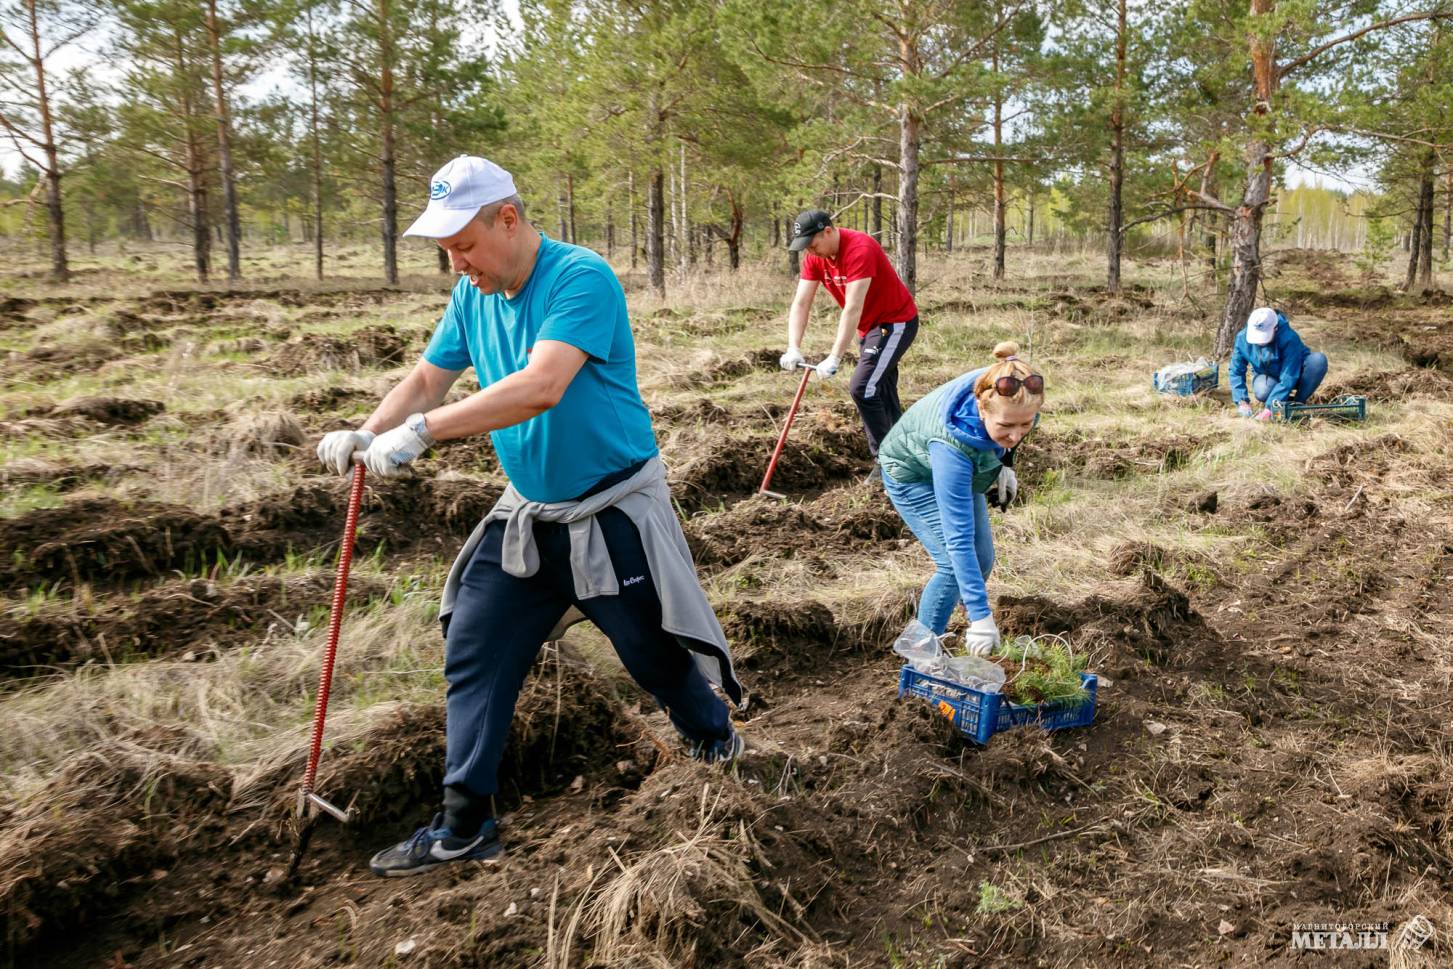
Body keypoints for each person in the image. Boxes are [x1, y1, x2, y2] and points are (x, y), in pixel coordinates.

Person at [315, 155, 744, 877]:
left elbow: (540, 386)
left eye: (464, 246)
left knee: (653, 654)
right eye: (445, 251)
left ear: (507, 219)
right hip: (529, 514)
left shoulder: (580, 278)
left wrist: (422, 433)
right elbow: (427, 377)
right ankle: (463, 823)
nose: (457, 265)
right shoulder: (470, 294)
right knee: (476, 643)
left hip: (611, 511)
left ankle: (714, 742)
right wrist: (371, 428)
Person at [876, 342, 1043, 655]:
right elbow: (958, 539)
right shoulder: (951, 446)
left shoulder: (1009, 387)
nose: (1016, 434)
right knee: (954, 564)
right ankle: (921, 655)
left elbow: (1014, 426)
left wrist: (1005, 462)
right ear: (982, 410)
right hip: (912, 475)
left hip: (959, 462)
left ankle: (963, 613)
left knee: (984, 558)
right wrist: (982, 616)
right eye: (1006, 426)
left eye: (1026, 424)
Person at [779, 209, 919, 462]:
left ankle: (886, 461)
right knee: (882, 390)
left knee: (863, 387)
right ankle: (908, 452)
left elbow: (853, 307)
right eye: (806, 248)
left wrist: (834, 356)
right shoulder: (815, 258)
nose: (810, 252)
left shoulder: (860, 249)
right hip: (868, 329)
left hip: (894, 323)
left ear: (828, 231)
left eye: (812, 244)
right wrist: (793, 347)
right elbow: (801, 303)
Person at [1228, 307, 1329, 420]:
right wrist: (1241, 401)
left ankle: (1297, 404)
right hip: (1268, 377)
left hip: (1296, 373)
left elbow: (1289, 375)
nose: (1260, 342)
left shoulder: (1289, 338)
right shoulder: (1242, 338)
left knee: (1318, 361)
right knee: (1262, 391)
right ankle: (1280, 400)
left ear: (1275, 328)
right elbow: (1236, 370)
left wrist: (1269, 408)